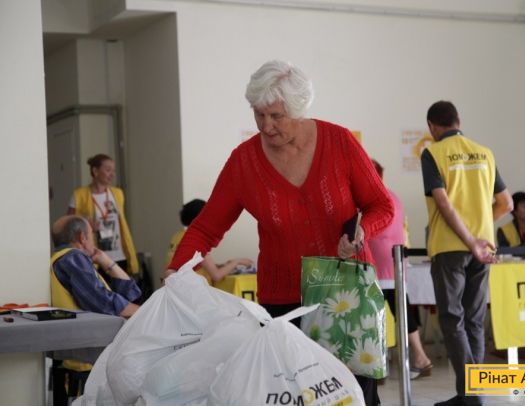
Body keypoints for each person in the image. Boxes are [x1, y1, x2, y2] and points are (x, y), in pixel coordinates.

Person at [166, 60, 394, 406]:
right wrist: (176, 270)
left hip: (346, 292)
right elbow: (206, 227)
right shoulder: (244, 162)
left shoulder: (339, 142)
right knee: (292, 395)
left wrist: (362, 231)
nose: (265, 126)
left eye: (276, 116)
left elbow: (381, 205)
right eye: (259, 115)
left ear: (298, 110)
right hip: (282, 302)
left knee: (353, 395)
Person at [421, 101, 513, 406]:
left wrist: (467, 239)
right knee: (474, 321)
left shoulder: (433, 153)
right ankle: (470, 395)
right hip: (483, 248)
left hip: (450, 248)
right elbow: (506, 203)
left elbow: (443, 202)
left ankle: (471, 395)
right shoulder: (485, 153)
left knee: (452, 319)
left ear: (432, 127)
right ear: (458, 121)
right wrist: (478, 234)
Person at [50, 215, 141, 404]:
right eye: (91, 234)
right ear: (82, 237)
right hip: (86, 362)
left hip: (80, 358)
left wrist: (107, 262)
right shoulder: (73, 258)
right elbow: (102, 303)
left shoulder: (61, 259)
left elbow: (131, 293)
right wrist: (143, 312)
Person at [368, 159, 433, 380]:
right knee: (402, 315)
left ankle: (379, 366)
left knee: (375, 318)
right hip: (394, 265)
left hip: (378, 267)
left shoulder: (373, 199)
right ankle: (420, 358)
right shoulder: (393, 196)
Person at [68, 154, 139, 275]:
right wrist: (85, 223)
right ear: (95, 171)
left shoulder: (118, 193)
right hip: (95, 257)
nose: (112, 174)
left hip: (119, 256)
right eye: (108, 170)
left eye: (114, 170)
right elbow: (67, 223)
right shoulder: (79, 195)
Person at [165, 198, 254, 282]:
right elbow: (216, 275)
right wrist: (237, 262)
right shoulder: (195, 239)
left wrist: (221, 266)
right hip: (194, 289)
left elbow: (194, 263)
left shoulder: (177, 236)